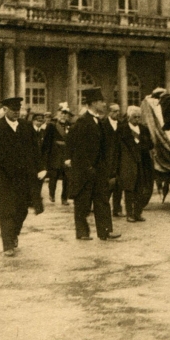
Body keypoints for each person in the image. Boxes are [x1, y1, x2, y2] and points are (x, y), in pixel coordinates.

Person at [0, 97, 47, 257]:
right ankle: (7, 245)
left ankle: (13, 234)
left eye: (18, 110)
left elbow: (35, 150)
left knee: (22, 210)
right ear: (5, 110)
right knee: (6, 211)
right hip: (3, 177)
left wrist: (41, 168)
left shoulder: (27, 127)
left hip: (23, 177)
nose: (16, 113)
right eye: (13, 110)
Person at [66, 88, 120, 241]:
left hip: (100, 170)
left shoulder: (100, 122)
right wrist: (87, 167)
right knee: (83, 201)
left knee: (102, 200)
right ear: (94, 103)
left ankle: (106, 231)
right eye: (102, 101)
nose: (104, 104)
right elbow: (75, 147)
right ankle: (82, 232)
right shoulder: (82, 122)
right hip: (85, 170)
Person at [118, 106, 154, 222]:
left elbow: (150, 144)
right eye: (135, 117)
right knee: (129, 189)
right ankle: (129, 214)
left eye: (139, 117)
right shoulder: (122, 129)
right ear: (129, 117)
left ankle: (138, 213)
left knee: (140, 188)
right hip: (128, 163)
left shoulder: (143, 129)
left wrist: (143, 145)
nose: (137, 119)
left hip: (142, 162)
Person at [43, 103, 73, 205]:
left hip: (66, 155)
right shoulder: (52, 125)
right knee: (53, 176)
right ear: (58, 113)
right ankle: (52, 194)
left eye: (66, 113)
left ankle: (64, 198)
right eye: (62, 113)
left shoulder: (70, 125)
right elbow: (47, 142)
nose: (64, 115)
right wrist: (46, 156)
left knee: (67, 178)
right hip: (55, 154)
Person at [104, 103, 125, 216]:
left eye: (118, 111)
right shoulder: (103, 124)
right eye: (115, 111)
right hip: (106, 159)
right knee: (106, 185)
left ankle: (117, 209)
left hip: (118, 159)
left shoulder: (121, 125)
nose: (117, 113)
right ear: (110, 112)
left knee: (118, 185)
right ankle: (103, 208)